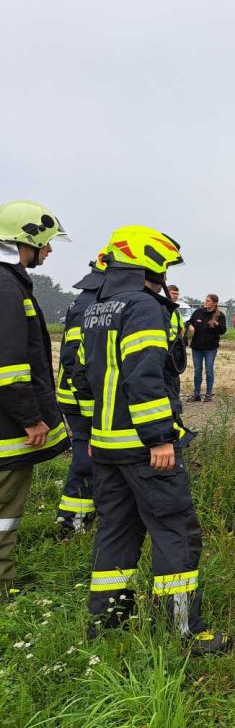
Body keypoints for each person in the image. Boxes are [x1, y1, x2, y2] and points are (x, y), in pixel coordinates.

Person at [74, 225, 230, 654]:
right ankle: (183, 631)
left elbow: (82, 377)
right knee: (174, 531)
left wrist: (90, 434)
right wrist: (160, 438)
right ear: (151, 263)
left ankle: (106, 624)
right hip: (146, 448)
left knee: (116, 533)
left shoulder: (96, 308)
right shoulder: (142, 307)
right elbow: (145, 375)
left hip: (106, 447)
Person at [0, 200, 71, 594]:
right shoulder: (6, 286)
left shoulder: (10, 282)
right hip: (7, 426)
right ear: (25, 238)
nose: (49, 250)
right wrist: (30, 417)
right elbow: (9, 365)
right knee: (4, 511)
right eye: (46, 242)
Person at [53, 249, 107, 536]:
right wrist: (90, 405)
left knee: (90, 456)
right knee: (86, 457)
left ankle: (79, 516)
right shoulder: (89, 304)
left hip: (83, 394)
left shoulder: (94, 299)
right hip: (77, 396)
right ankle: (72, 521)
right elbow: (75, 360)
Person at [186, 294, 226, 402]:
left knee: (209, 371)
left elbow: (223, 330)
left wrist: (217, 324)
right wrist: (190, 326)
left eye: (208, 301)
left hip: (210, 348)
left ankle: (208, 394)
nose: (206, 302)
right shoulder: (198, 312)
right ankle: (196, 394)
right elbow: (189, 321)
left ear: (214, 303)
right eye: (206, 300)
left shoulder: (219, 315)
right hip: (196, 347)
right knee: (197, 371)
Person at [165, 284, 186, 400]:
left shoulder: (176, 311)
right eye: (173, 293)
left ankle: (174, 396)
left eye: (177, 294)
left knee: (174, 375)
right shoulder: (162, 307)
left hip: (174, 347)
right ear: (167, 292)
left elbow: (181, 328)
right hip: (164, 346)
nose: (176, 296)